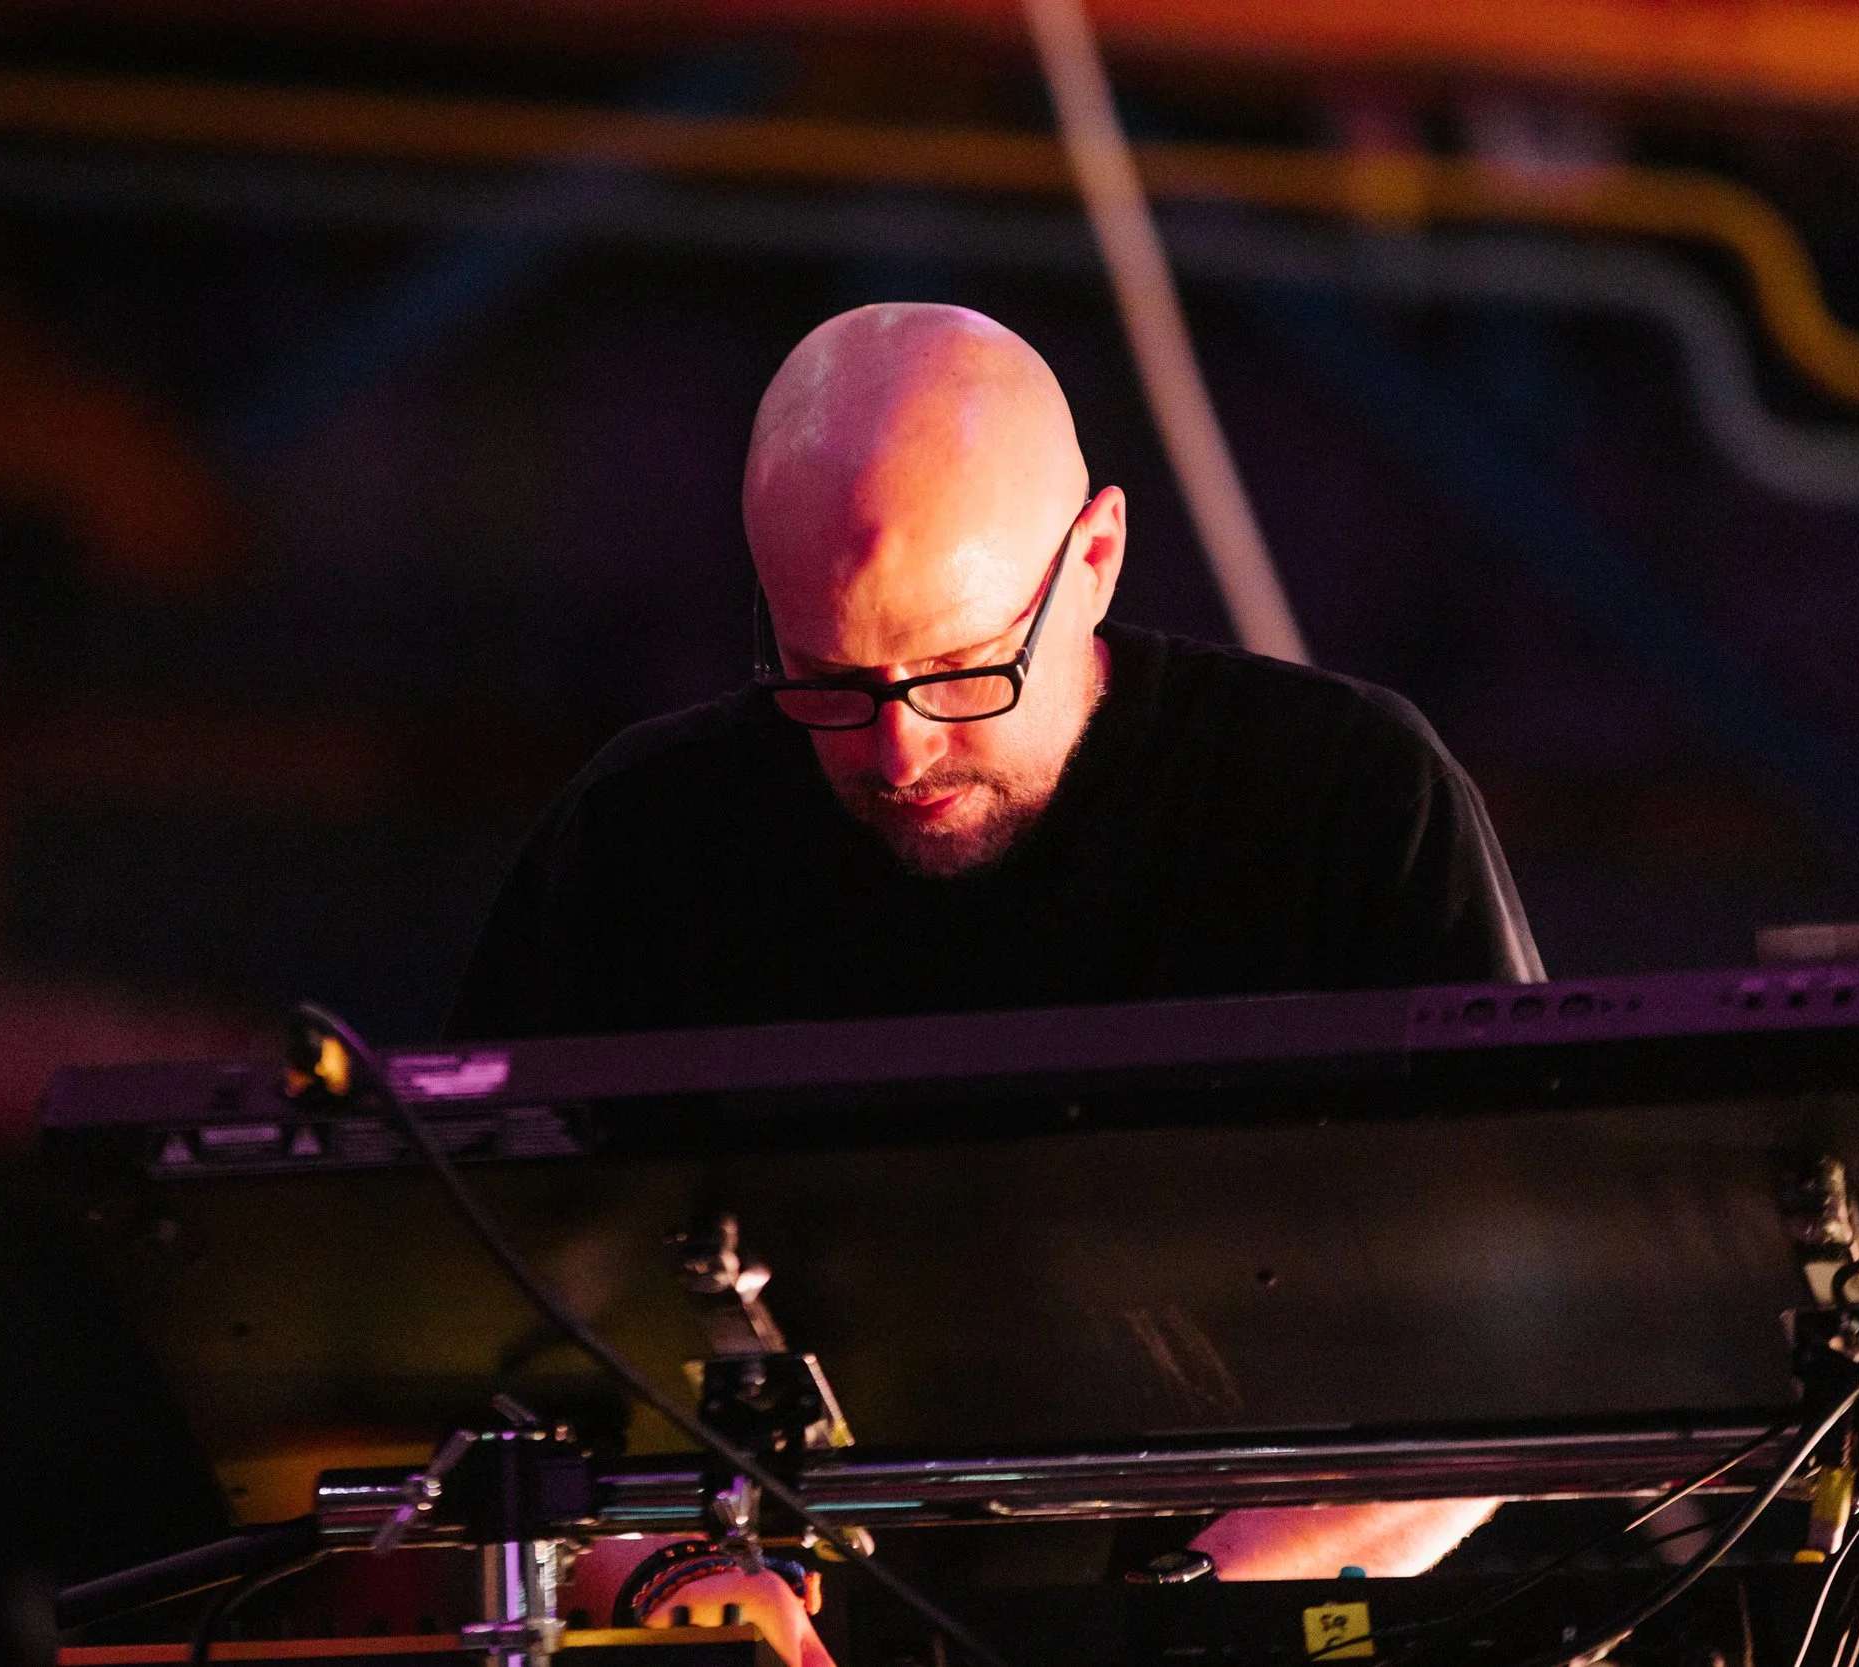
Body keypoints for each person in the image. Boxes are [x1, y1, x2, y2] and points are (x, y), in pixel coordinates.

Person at [448, 303, 1542, 1665]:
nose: (900, 751)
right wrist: (665, 1572)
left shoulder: (1344, 800)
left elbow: (1517, 1353)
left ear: (1096, 558)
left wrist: (1177, 1613)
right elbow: (468, 1361)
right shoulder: (640, 838)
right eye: (829, 681)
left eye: (962, 670)